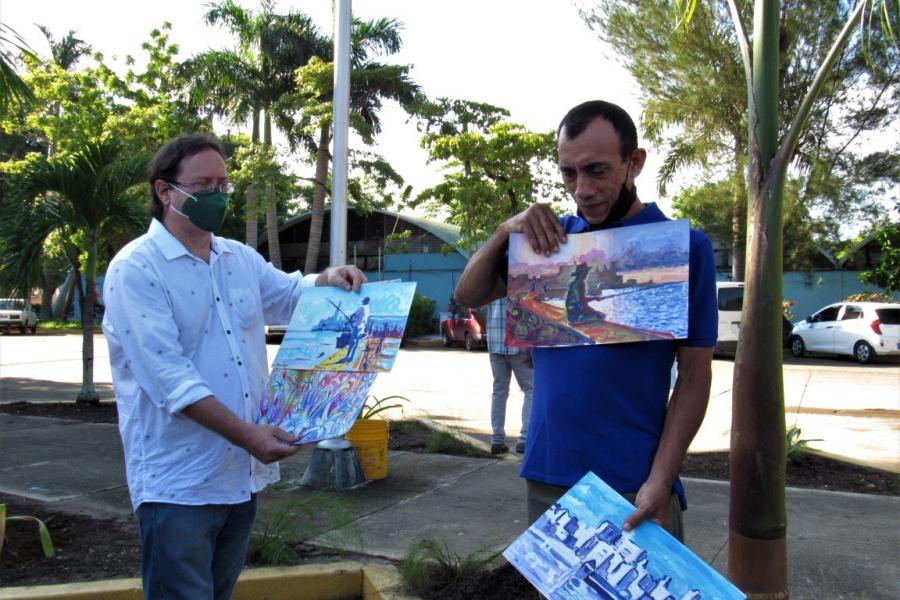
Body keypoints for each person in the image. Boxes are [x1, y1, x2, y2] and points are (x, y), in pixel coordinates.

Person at [101, 133, 366, 600]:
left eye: (223, 185)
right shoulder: (136, 269)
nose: (217, 196)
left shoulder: (236, 258)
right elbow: (171, 382)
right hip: (177, 484)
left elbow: (289, 295)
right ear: (166, 192)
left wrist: (327, 280)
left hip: (238, 480)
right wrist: (249, 435)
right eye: (203, 185)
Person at [454, 100, 717, 541]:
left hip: (635, 480)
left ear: (634, 162)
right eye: (568, 173)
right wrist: (506, 230)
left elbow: (694, 377)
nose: (581, 189)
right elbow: (468, 294)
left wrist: (661, 478)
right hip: (549, 471)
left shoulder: (683, 248)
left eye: (596, 170)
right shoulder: (548, 243)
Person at [486, 297, 534, 456]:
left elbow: (478, 307)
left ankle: (497, 440)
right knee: (531, 389)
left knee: (499, 391)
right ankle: (525, 439)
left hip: (495, 344)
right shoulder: (519, 277)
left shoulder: (492, 280)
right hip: (518, 344)